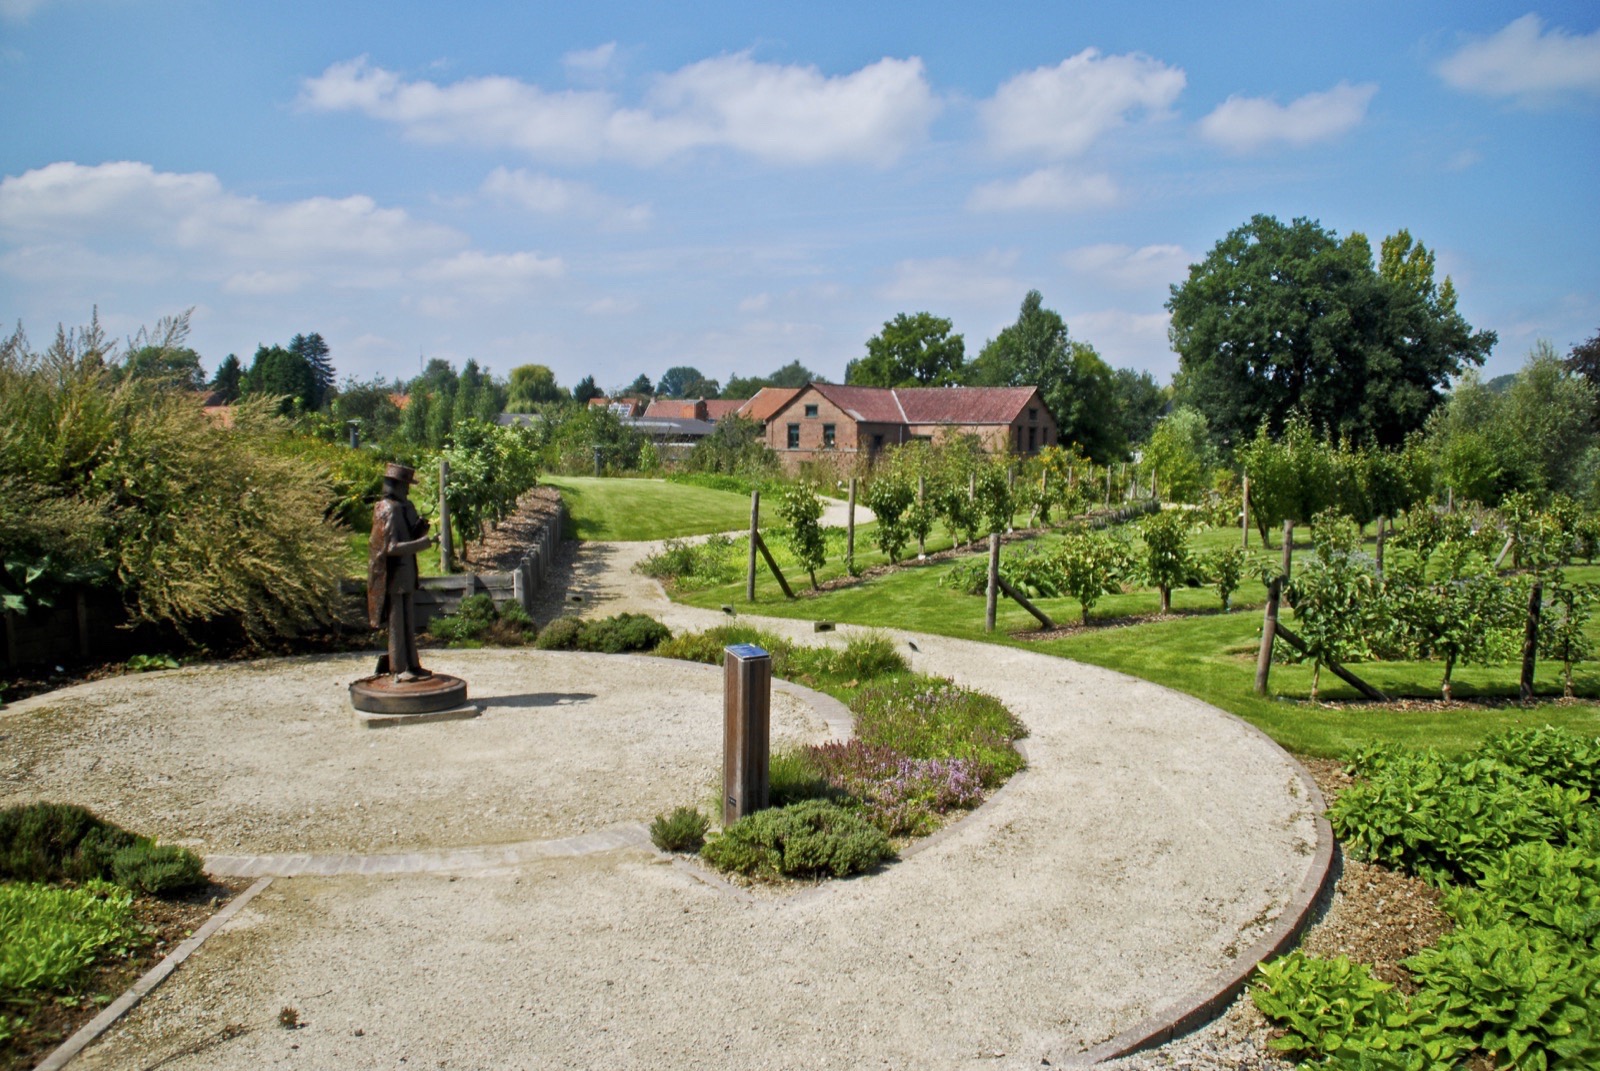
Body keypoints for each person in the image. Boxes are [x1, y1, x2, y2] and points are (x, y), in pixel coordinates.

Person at [368, 463, 437, 682]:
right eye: (405, 486)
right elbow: (391, 548)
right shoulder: (390, 509)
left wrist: (420, 528)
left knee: (408, 622)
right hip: (396, 576)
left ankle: (412, 665)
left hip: (405, 574)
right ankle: (399, 668)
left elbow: (406, 537)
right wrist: (423, 543)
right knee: (398, 623)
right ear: (396, 486)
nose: (407, 491)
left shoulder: (402, 507)